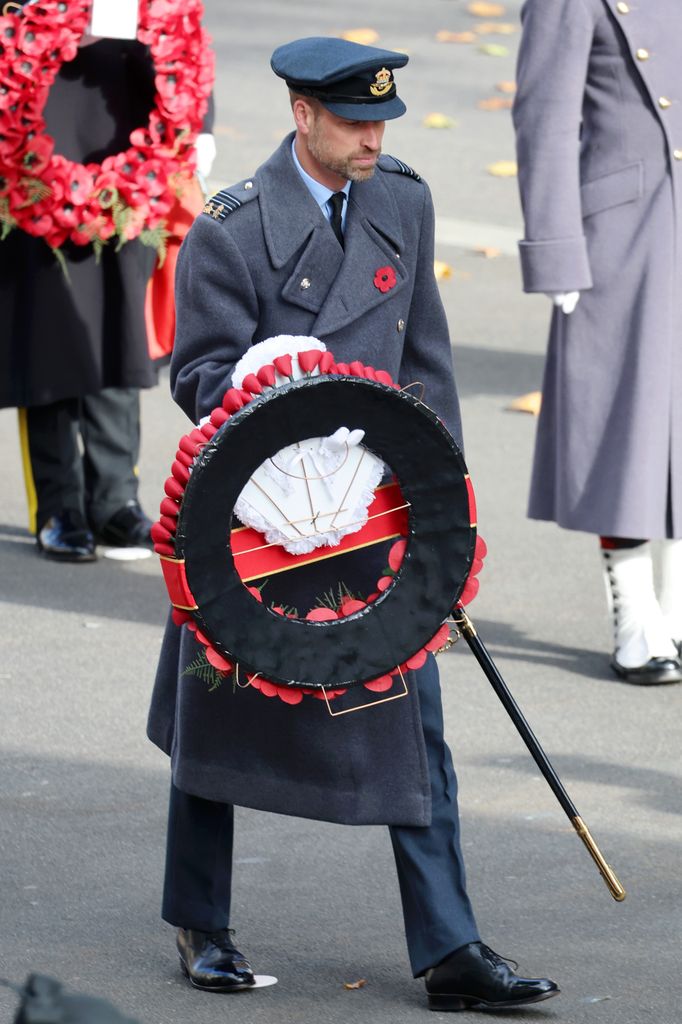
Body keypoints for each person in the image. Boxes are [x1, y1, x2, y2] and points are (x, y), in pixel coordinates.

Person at [147, 37, 559, 1012]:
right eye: (355, 121)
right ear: (302, 116)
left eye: (383, 119)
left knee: (413, 729)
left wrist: (441, 513)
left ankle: (451, 946)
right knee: (220, 720)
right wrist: (272, 382)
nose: (375, 136)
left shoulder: (402, 202)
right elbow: (198, 376)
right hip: (259, 525)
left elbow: (426, 366)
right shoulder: (233, 230)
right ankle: (201, 919)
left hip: (373, 518)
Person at [0, 0, 215, 562]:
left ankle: (115, 502)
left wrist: (197, 127)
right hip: (33, 160)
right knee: (46, 338)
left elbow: (182, 42)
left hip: (131, 157)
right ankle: (57, 505)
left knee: (121, 332)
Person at [512, 0, 682, 685]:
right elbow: (545, 118)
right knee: (624, 427)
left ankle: (675, 608)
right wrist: (555, 252)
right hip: (622, 227)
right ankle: (638, 616)